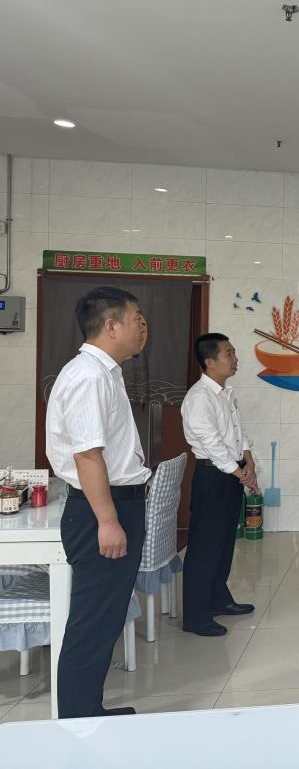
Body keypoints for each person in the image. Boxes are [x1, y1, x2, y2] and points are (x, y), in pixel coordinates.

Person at [45, 286, 150, 718]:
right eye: (136, 319)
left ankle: (88, 710)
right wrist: (107, 520)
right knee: (92, 621)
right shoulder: (88, 376)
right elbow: (87, 455)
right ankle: (78, 719)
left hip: (115, 503)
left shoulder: (106, 372)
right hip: (102, 509)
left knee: (103, 617)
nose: (142, 327)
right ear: (111, 326)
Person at [180, 333, 258, 636]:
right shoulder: (199, 397)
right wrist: (241, 473)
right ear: (209, 361)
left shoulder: (224, 392)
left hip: (231, 473)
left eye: (234, 352)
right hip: (213, 476)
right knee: (205, 547)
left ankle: (218, 599)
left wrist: (248, 461)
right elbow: (212, 444)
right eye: (229, 354)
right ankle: (196, 616)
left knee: (224, 542)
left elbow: (238, 433)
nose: (235, 359)